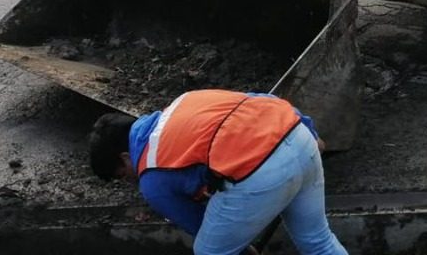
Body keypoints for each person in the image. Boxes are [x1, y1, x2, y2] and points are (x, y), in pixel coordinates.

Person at [88, 89, 346, 255]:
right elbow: (260, 100)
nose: (129, 181)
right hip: (298, 137)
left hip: (260, 170)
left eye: (122, 175)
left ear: (124, 157)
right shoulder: (184, 102)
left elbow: (203, 228)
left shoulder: (152, 177)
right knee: (318, 241)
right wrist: (309, 130)